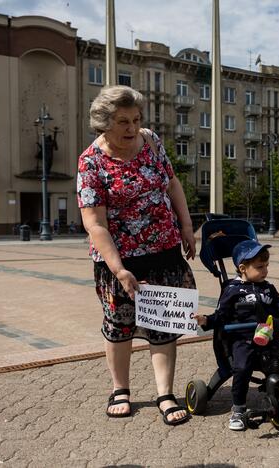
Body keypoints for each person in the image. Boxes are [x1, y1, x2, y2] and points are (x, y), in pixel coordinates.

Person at [77, 85, 196, 426]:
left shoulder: (152, 141)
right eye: (122, 121)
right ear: (104, 123)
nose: (132, 128)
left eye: (136, 119)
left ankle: (165, 392)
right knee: (120, 327)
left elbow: (172, 182)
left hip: (164, 249)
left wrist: (186, 226)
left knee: (163, 324)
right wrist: (118, 269)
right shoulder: (91, 162)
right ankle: (120, 389)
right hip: (120, 259)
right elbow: (95, 223)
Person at [194, 240, 279, 431]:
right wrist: (206, 320)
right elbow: (221, 315)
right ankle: (238, 408)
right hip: (242, 338)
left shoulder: (268, 288)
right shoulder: (232, 290)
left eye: (266, 266)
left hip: (269, 337)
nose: (265, 271)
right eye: (260, 267)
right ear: (243, 268)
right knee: (241, 367)